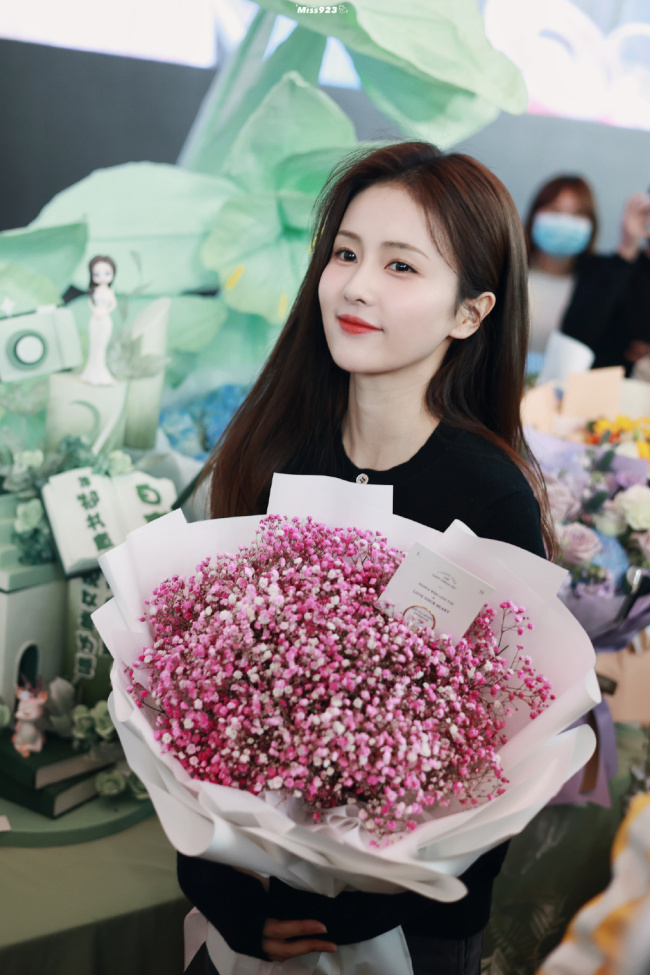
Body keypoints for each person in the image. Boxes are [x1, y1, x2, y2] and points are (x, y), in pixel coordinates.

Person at [178, 141, 556, 975]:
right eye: (345, 253)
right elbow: (204, 698)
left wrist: (363, 899)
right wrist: (219, 880)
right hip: (251, 909)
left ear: (470, 313)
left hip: (409, 933)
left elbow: (503, 756)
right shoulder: (274, 453)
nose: (356, 285)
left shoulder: (487, 494)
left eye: (401, 265)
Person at [524, 175, 650, 368]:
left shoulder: (601, 276)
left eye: (577, 213)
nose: (565, 221)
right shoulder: (504, 270)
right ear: (534, 214)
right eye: (555, 209)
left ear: (591, 223)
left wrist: (629, 244)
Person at [79, 254, 117, 385]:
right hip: (94, 320)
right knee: (94, 345)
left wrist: (104, 312)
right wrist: (95, 310)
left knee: (101, 346)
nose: (101, 277)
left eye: (107, 273)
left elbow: (113, 304)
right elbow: (91, 302)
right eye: (97, 274)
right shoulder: (94, 291)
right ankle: (91, 372)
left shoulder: (110, 292)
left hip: (104, 320)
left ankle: (101, 372)